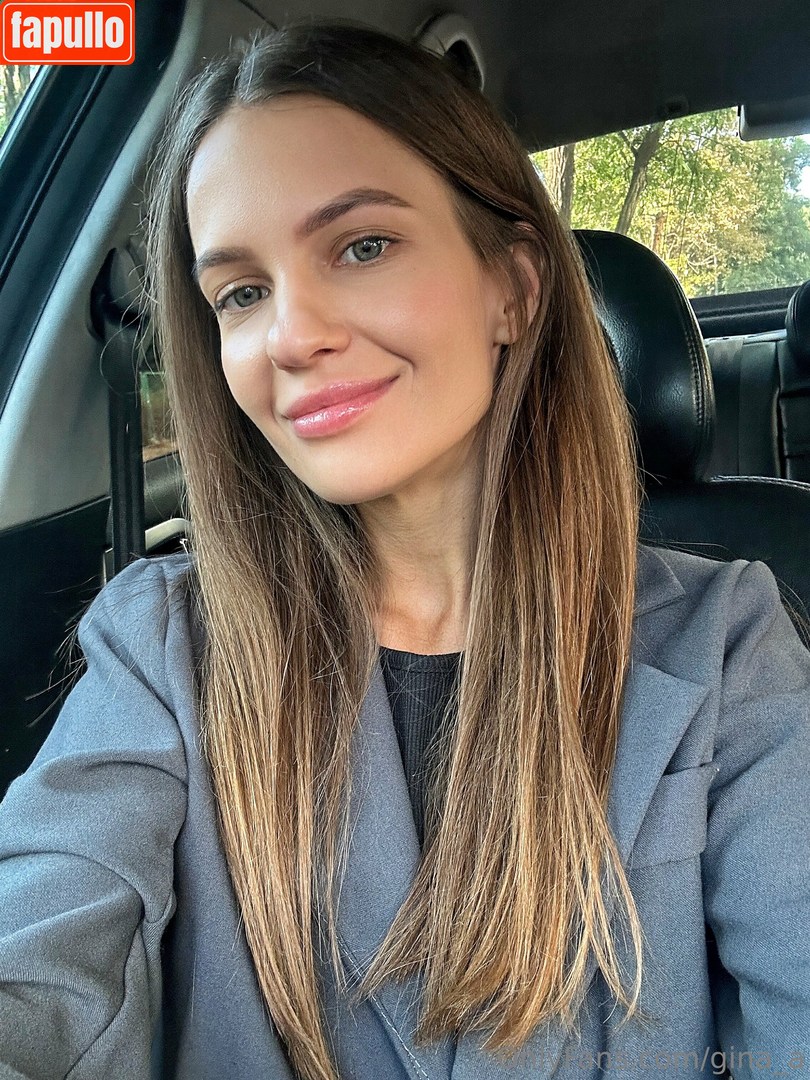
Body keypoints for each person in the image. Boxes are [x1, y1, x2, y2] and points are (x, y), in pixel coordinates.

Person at [1, 20, 808, 1080]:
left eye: (362, 246)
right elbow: (39, 950)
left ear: (513, 288)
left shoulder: (731, 645)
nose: (291, 334)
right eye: (241, 292)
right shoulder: (161, 647)